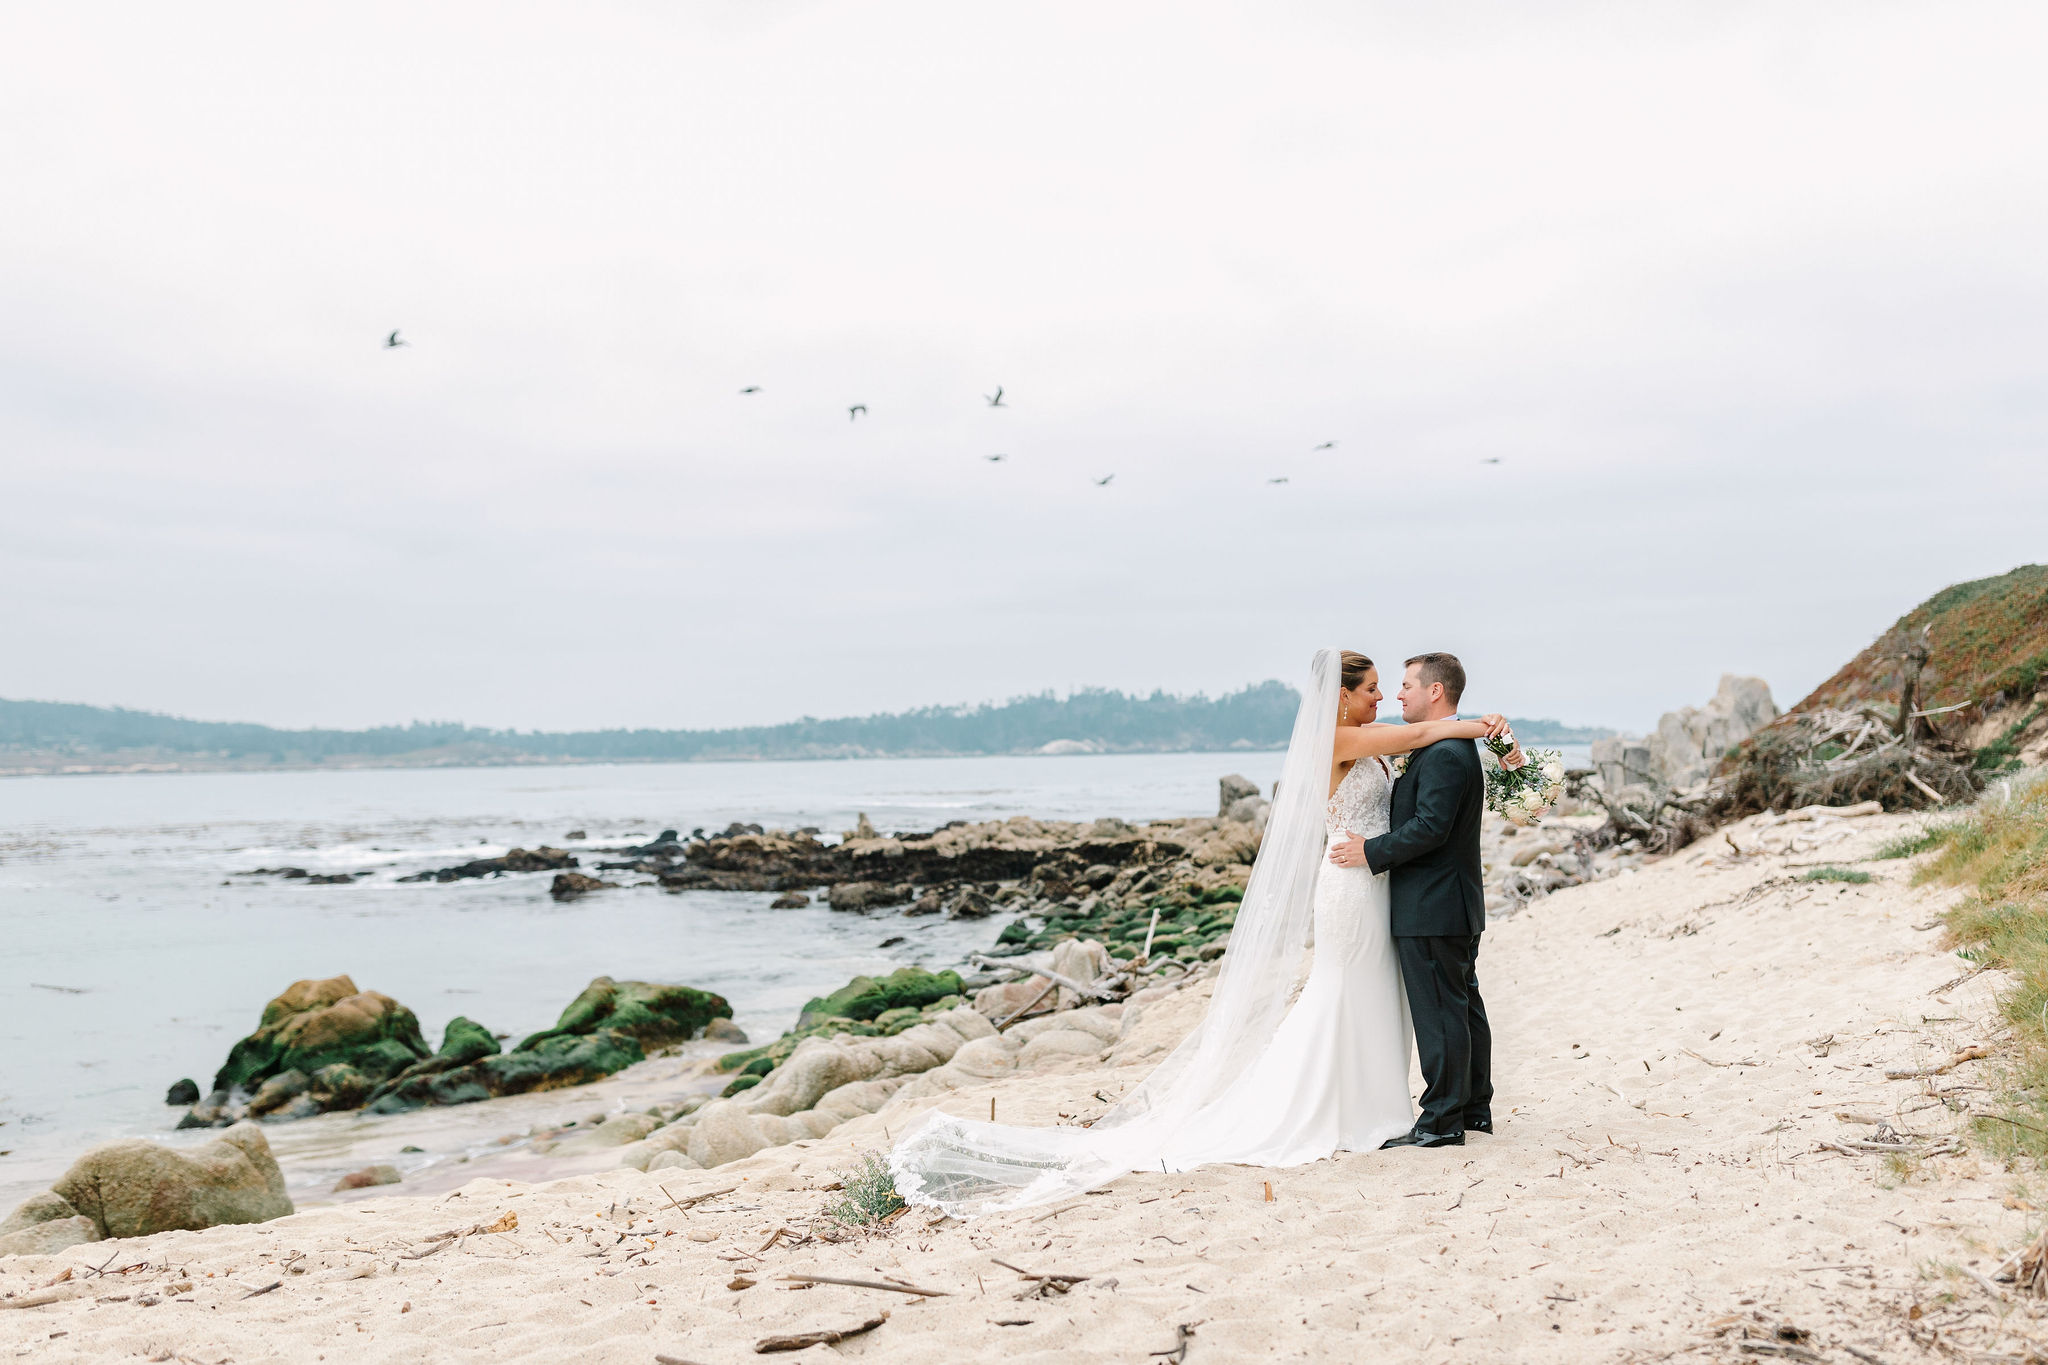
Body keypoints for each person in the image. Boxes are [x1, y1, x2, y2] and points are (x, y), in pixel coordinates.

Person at [887, 648, 1512, 1216]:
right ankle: (1366, 1108)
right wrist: (1483, 725)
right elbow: (1428, 730)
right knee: (1345, 993)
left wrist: (1492, 745)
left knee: (1390, 997)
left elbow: (1425, 746)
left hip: (1378, 884)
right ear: (1341, 698)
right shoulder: (1340, 740)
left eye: (1392, 686)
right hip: (1353, 884)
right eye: (1373, 688)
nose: (1383, 697)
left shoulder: (1373, 740)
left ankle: (1399, 1107)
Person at [1330, 652, 1512, 1149]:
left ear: (1434, 691)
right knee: (1461, 1005)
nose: (1396, 694)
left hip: (1433, 902)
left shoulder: (1446, 753)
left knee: (1441, 1011)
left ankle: (1441, 1119)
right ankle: (1472, 1108)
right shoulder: (1442, 746)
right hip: (1447, 901)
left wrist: (1369, 851)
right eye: (1383, 687)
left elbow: (1430, 828)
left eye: (1406, 684)